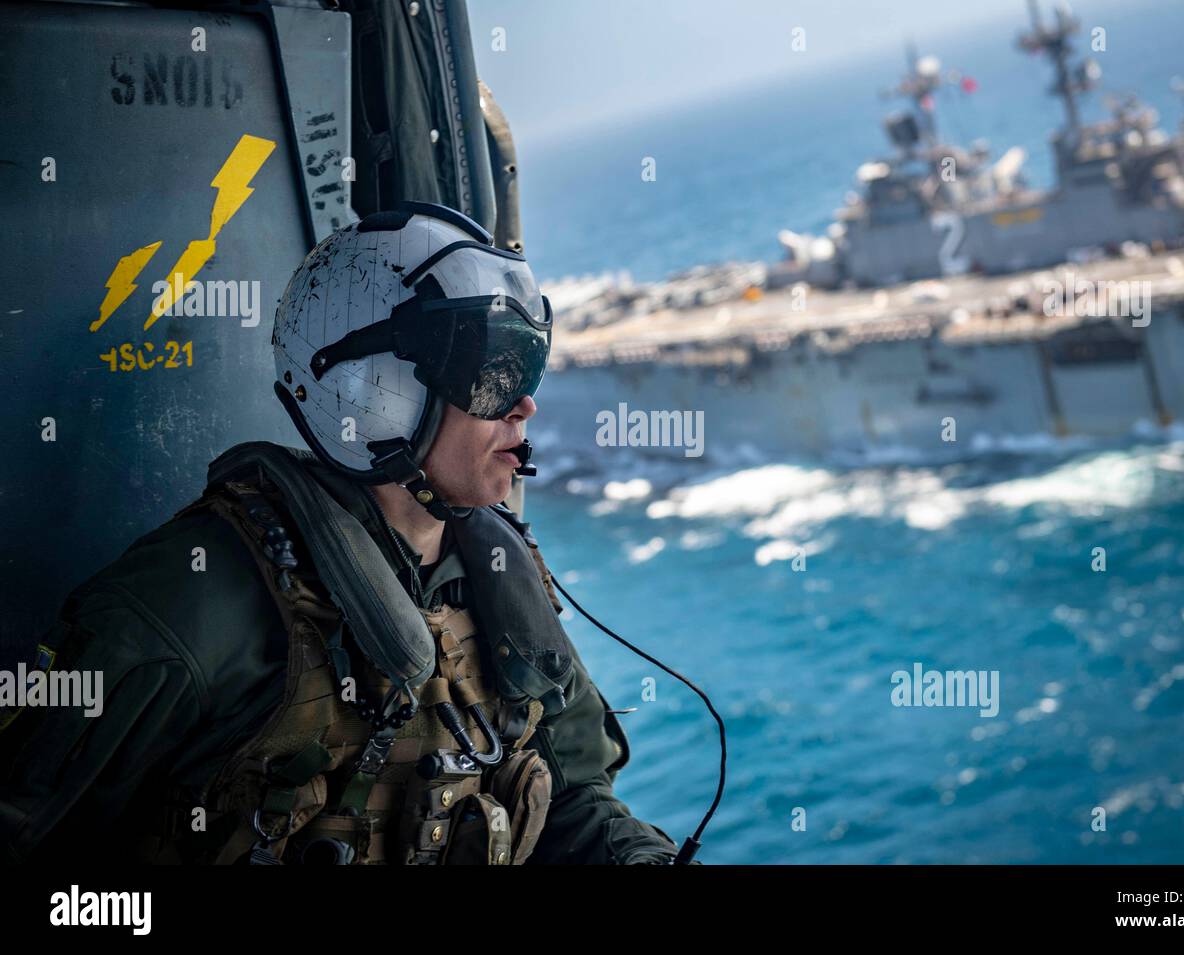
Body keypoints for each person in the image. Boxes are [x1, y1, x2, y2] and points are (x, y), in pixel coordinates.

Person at [0, 202, 684, 865]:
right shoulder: (194, 599)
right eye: (489, 376)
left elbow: (571, 802)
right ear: (374, 389)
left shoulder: (497, 574)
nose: (523, 403)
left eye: (525, 368)